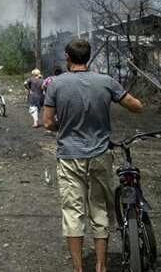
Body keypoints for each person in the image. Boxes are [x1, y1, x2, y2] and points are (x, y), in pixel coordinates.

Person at [43, 39, 143, 272]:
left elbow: (47, 122)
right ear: (87, 57)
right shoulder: (106, 81)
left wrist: (66, 126)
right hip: (100, 154)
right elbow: (136, 106)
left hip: (69, 156)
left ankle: (78, 268)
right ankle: (101, 266)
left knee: (73, 212)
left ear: (68, 57)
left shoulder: (57, 84)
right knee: (99, 210)